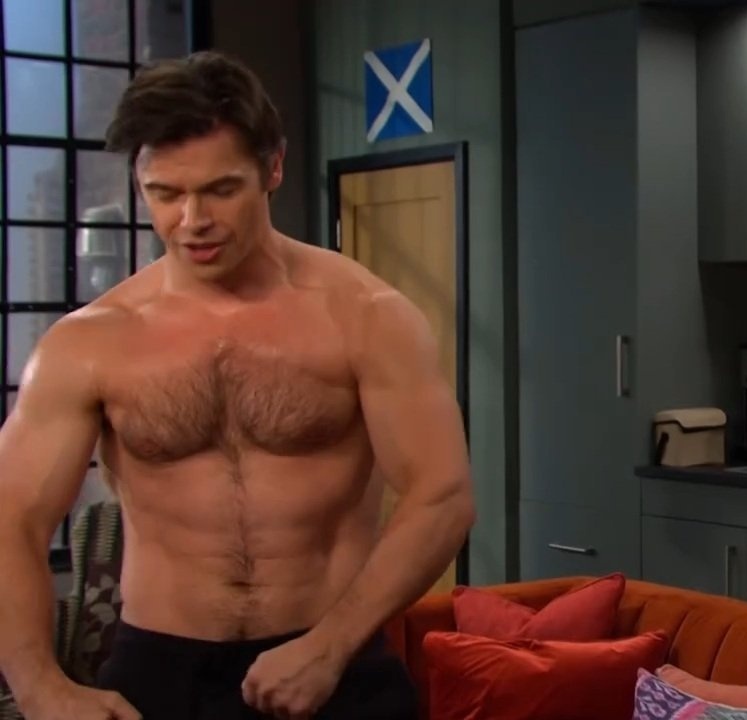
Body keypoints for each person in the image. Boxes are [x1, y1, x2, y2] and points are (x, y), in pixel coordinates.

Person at [0, 50, 474, 720]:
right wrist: (39, 687)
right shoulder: (89, 343)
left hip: (333, 661)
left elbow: (442, 497)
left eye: (221, 189)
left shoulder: (366, 317)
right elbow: (12, 517)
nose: (192, 220)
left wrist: (331, 646)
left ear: (272, 168)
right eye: (165, 194)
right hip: (159, 672)